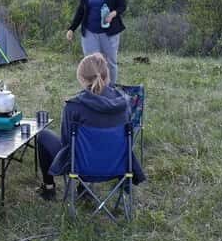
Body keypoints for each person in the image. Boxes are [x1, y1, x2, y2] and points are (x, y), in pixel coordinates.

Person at [35, 53, 145, 201]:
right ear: (108, 76)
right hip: (117, 166)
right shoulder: (124, 104)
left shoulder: (73, 106)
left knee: (43, 136)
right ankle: (83, 189)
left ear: (81, 78)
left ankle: (49, 188)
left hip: (80, 168)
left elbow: (67, 144)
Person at [66, 0, 127, 84]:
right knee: (91, 63)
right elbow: (81, 10)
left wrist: (113, 14)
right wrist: (72, 28)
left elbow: (123, 5)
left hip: (109, 33)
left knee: (110, 63)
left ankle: (110, 90)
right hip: (90, 32)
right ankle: (93, 91)